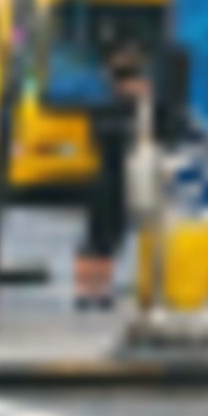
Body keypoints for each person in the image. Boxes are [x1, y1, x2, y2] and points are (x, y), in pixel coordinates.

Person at [75, 46, 146, 315]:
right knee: (98, 235)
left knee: (111, 236)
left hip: (119, 178)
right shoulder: (112, 106)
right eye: (131, 79)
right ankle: (88, 290)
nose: (135, 85)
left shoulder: (130, 105)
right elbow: (105, 137)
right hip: (107, 177)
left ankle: (99, 289)